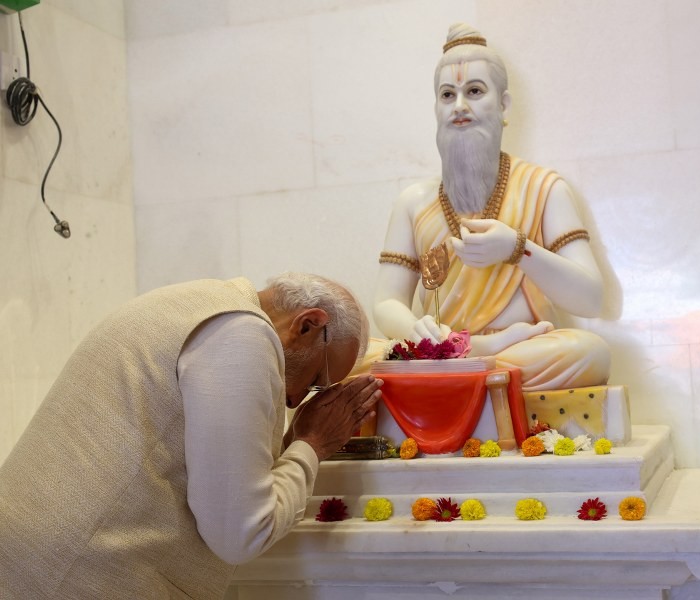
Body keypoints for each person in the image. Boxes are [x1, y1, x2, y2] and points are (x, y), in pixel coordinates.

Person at [0, 273, 382, 599]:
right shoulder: (242, 332)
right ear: (307, 325)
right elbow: (239, 533)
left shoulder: (203, 303)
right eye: (317, 379)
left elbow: (206, 469)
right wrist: (312, 444)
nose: (297, 399)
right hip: (77, 575)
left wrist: (293, 443)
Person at [373, 23, 610, 390]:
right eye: (448, 95)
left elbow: (590, 300)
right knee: (360, 358)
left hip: (521, 349)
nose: (460, 107)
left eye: (475, 91)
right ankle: (471, 354)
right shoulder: (412, 202)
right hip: (438, 356)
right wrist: (421, 335)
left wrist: (517, 248)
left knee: (588, 352)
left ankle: (473, 359)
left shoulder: (544, 189)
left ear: (503, 104)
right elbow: (388, 300)